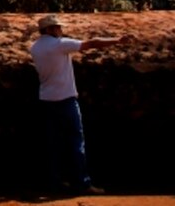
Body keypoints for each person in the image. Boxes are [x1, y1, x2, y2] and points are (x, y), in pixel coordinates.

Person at [29, 14, 132, 196]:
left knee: (54, 144)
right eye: (58, 27)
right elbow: (91, 43)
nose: (61, 30)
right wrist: (117, 40)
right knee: (76, 141)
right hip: (65, 98)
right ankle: (82, 183)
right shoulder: (59, 45)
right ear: (51, 29)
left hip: (46, 99)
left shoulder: (35, 48)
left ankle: (56, 183)